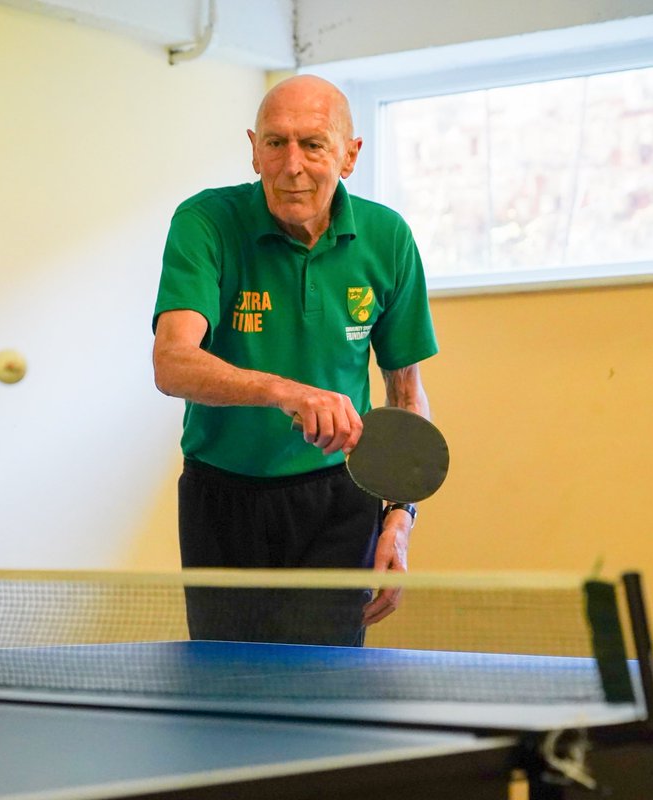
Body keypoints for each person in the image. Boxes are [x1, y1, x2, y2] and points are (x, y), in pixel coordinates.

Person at [151, 75, 438, 646]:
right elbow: (172, 362)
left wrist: (399, 518)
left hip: (339, 498)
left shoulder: (389, 239)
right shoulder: (204, 222)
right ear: (253, 148)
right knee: (224, 691)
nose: (292, 165)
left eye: (313, 144)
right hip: (221, 497)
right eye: (276, 143)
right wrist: (287, 392)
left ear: (349, 156)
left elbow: (406, 397)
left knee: (324, 691)